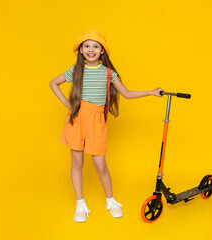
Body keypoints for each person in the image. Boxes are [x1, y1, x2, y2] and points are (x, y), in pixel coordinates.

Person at [49, 30, 163, 223]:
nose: (91, 49)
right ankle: (80, 204)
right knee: (77, 163)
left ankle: (110, 201)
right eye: (87, 46)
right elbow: (53, 83)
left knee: (100, 165)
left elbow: (126, 93)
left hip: (96, 121)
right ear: (81, 50)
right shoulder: (77, 70)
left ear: (102, 51)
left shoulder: (108, 73)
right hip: (77, 118)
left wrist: (151, 92)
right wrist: (68, 104)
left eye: (95, 46)